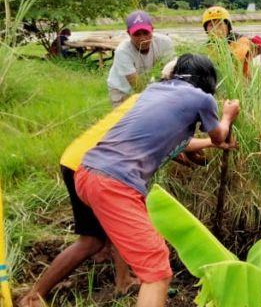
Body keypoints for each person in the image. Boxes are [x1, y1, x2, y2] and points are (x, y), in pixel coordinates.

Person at [74, 54, 239, 306]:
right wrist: (227, 115)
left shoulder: (154, 91)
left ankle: (125, 281)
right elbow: (219, 135)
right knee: (157, 270)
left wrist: (207, 144)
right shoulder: (201, 98)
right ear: (207, 80)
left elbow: (172, 140)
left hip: (88, 173)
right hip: (114, 183)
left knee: (144, 254)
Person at [18, 97, 142, 307]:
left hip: (81, 159)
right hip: (90, 166)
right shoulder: (160, 105)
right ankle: (33, 297)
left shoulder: (143, 98)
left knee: (110, 226)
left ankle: (123, 279)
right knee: (91, 241)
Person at [107, 10, 175, 107]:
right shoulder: (122, 51)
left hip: (147, 84)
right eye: (137, 34)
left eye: (146, 33)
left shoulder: (164, 42)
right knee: (126, 115)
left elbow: (169, 70)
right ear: (128, 33)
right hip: (122, 89)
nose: (142, 38)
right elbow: (137, 86)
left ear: (152, 29)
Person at [201, 6, 261, 78]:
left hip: (242, 82)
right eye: (211, 25)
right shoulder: (206, 48)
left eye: (220, 24)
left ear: (228, 26)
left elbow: (236, 59)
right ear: (206, 30)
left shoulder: (241, 41)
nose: (216, 28)